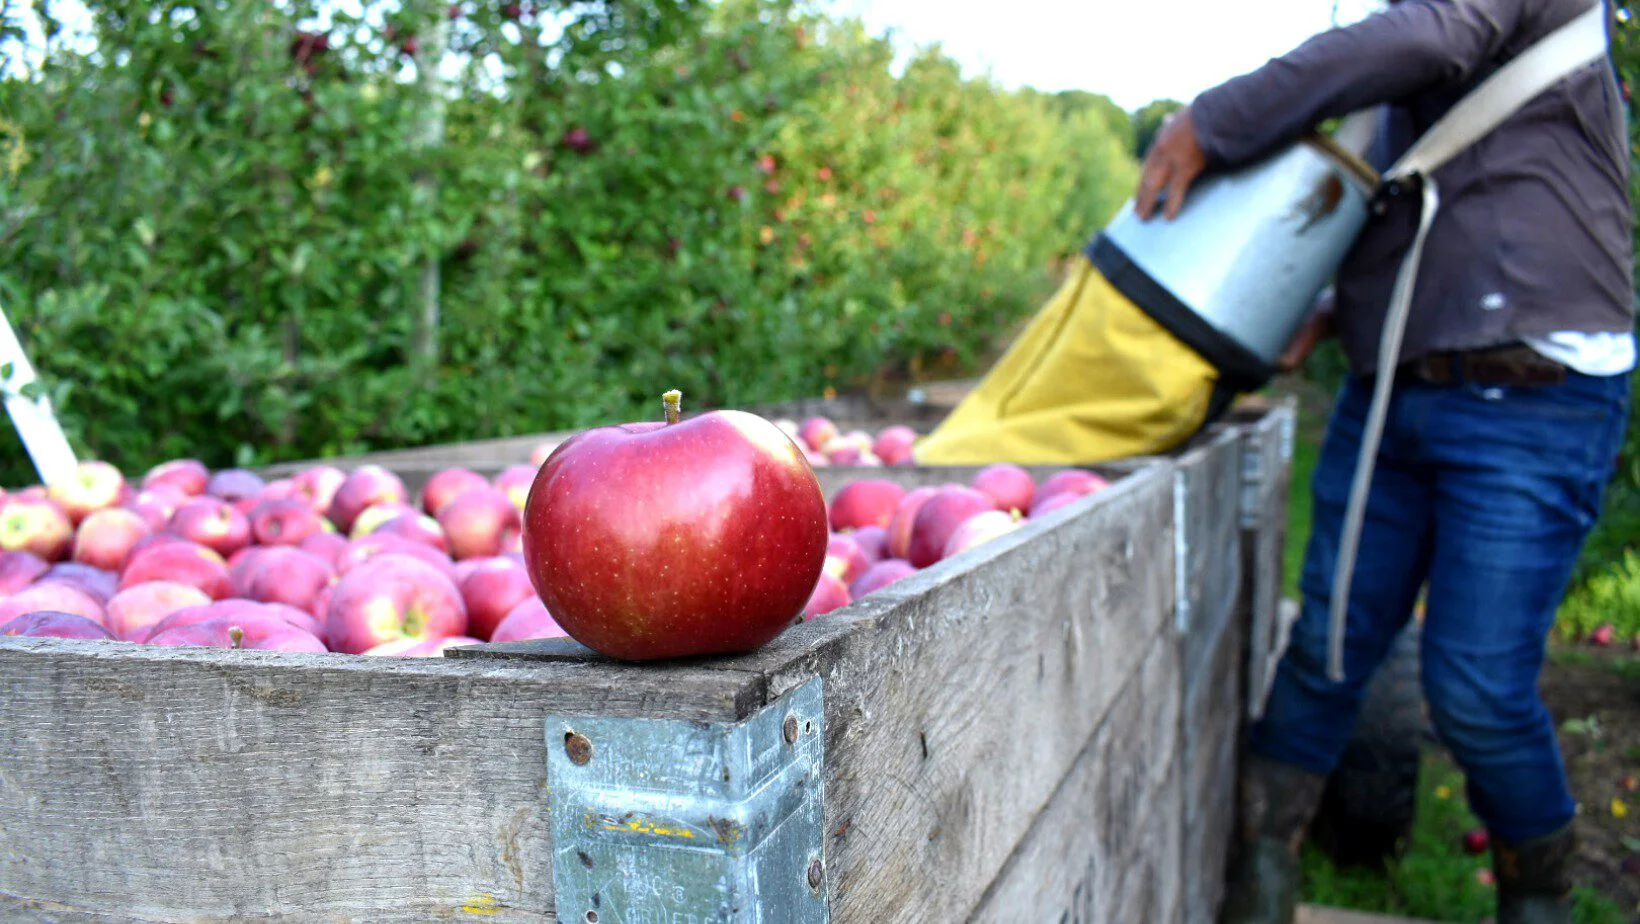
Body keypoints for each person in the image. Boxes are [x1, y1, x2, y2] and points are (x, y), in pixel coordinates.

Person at [1137, 1, 1636, 922]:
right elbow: (1429, 185)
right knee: (1326, 647)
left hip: (1534, 389)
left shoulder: (1453, 21)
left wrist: (1214, 118)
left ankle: (1541, 901)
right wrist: (1333, 300)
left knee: (1477, 685)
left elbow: (1425, 38)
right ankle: (1264, 882)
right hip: (1395, 388)